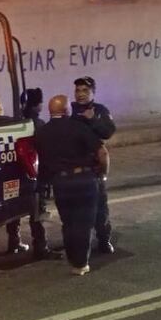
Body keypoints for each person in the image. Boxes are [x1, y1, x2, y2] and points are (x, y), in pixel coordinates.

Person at [35, 95, 106, 276]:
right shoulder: (78, 126)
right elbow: (102, 153)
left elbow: (40, 161)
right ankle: (81, 263)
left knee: (68, 222)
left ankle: (74, 259)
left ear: (50, 111)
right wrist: (102, 174)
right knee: (83, 222)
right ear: (67, 110)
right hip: (84, 180)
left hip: (61, 182)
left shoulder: (42, 133)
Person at [5, 88, 61, 260]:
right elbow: (47, 152)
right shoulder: (38, 125)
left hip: (16, 174)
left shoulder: (15, 124)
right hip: (37, 176)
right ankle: (40, 246)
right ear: (38, 105)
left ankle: (14, 242)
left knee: (14, 209)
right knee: (37, 212)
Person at [71, 76, 116, 253]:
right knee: (76, 209)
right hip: (74, 166)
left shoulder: (99, 110)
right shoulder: (70, 110)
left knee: (100, 207)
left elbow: (108, 132)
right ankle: (77, 242)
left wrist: (93, 120)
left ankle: (104, 239)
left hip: (93, 168)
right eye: (78, 90)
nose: (80, 94)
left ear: (93, 93)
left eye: (85, 91)